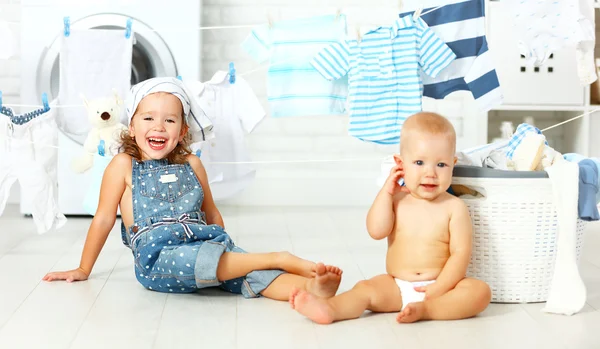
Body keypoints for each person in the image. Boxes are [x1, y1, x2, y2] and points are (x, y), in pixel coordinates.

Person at [44, 77, 342, 301]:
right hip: (159, 258)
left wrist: (227, 247)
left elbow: (211, 213)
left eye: (169, 120)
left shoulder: (192, 164)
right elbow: (104, 219)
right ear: (131, 127)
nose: (158, 126)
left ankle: (311, 287)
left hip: (205, 244)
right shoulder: (123, 165)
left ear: (182, 130)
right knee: (203, 262)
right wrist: (83, 269)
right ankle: (278, 257)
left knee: (247, 273)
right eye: (148, 118)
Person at [289, 112, 491, 323]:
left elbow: (460, 254)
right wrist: (386, 193)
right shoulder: (396, 201)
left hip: (442, 287)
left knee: (479, 291)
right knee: (365, 289)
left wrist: (440, 287)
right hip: (396, 286)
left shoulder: (454, 207)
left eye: (441, 165)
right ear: (400, 164)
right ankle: (330, 308)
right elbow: (376, 231)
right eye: (419, 162)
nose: (430, 173)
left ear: (453, 163)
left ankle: (428, 310)